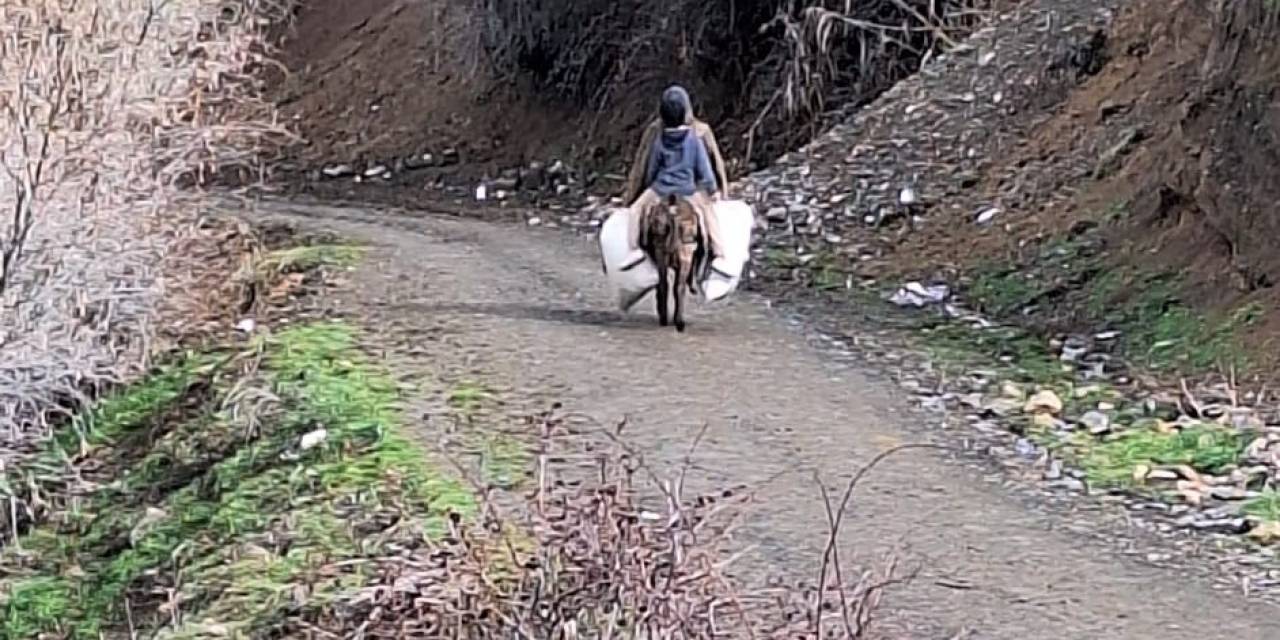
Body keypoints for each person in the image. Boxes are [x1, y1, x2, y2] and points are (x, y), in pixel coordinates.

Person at [619, 85, 728, 271]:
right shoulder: (697, 135)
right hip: (688, 190)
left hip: (660, 188)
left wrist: (639, 192)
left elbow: (648, 167)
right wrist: (715, 190)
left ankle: (633, 249)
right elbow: (708, 168)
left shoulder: (657, 135)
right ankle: (719, 253)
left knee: (636, 210)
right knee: (708, 213)